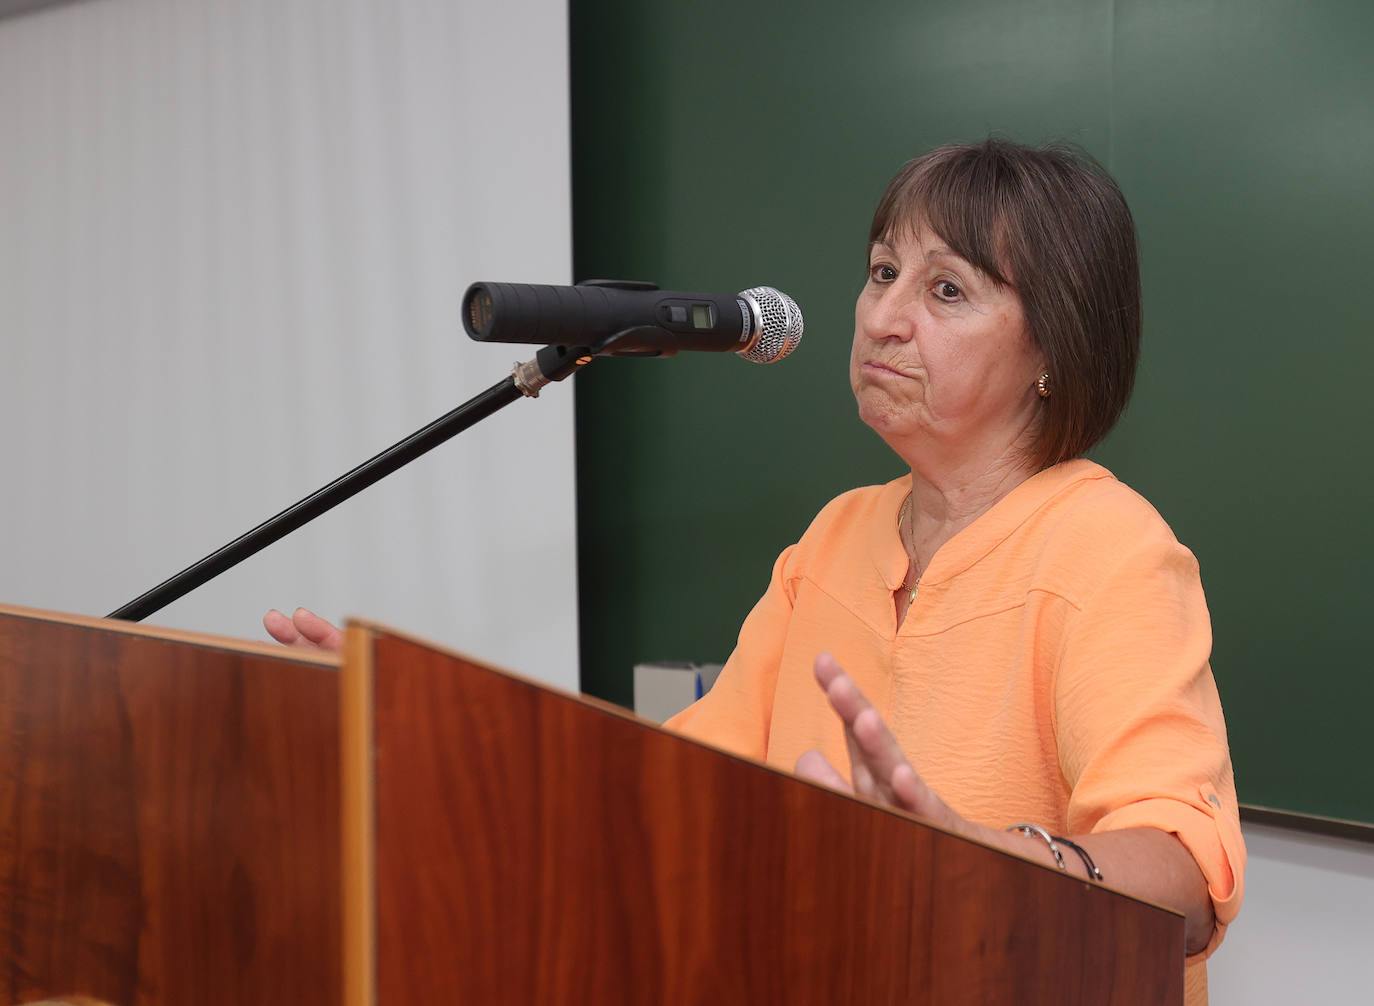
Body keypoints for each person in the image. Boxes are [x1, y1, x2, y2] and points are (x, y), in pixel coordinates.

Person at [267, 139, 1244, 1004]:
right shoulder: (836, 537)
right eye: (881, 271)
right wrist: (419, 724)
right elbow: (681, 782)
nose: (882, 318)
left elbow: (1183, 875)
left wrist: (989, 861)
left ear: (1054, 347)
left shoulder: (1112, 548)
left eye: (946, 289)